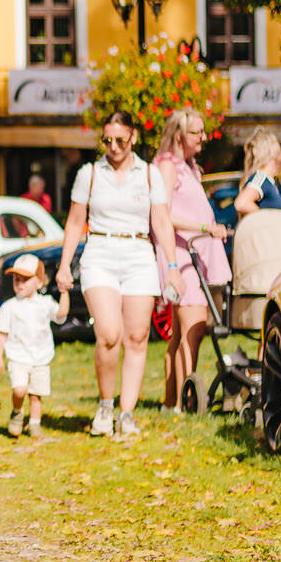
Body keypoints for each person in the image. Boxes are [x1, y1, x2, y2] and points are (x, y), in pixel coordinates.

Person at [55, 112, 186, 439]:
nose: (113, 147)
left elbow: (161, 221)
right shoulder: (89, 174)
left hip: (139, 254)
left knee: (137, 336)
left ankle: (127, 413)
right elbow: (75, 221)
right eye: (107, 141)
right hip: (100, 253)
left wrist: (172, 267)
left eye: (120, 140)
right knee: (109, 333)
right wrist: (64, 265)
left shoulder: (150, 174)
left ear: (133, 137)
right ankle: (105, 405)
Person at [154, 109, 232, 412]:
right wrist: (205, 228)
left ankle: (172, 402)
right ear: (179, 136)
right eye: (197, 132)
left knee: (181, 332)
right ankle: (186, 401)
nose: (204, 137)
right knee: (193, 328)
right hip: (181, 255)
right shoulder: (168, 166)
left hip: (193, 253)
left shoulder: (187, 167)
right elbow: (162, 214)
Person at [0, 253, 70, 438]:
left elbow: (61, 314)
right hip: (18, 356)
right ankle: (17, 412)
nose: (20, 284)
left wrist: (64, 292)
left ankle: (35, 423)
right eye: (17, 279)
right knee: (19, 390)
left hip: (40, 357)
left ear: (39, 282)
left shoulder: (45, 303)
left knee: (35, 395)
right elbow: (2, 333)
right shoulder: (9, 306)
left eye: (26, 280)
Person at [233, 131, 281, 219]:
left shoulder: (268, 181)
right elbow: (241, 204)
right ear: (274, 154)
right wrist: (269, 218)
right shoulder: (261, 178)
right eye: (280, 151)